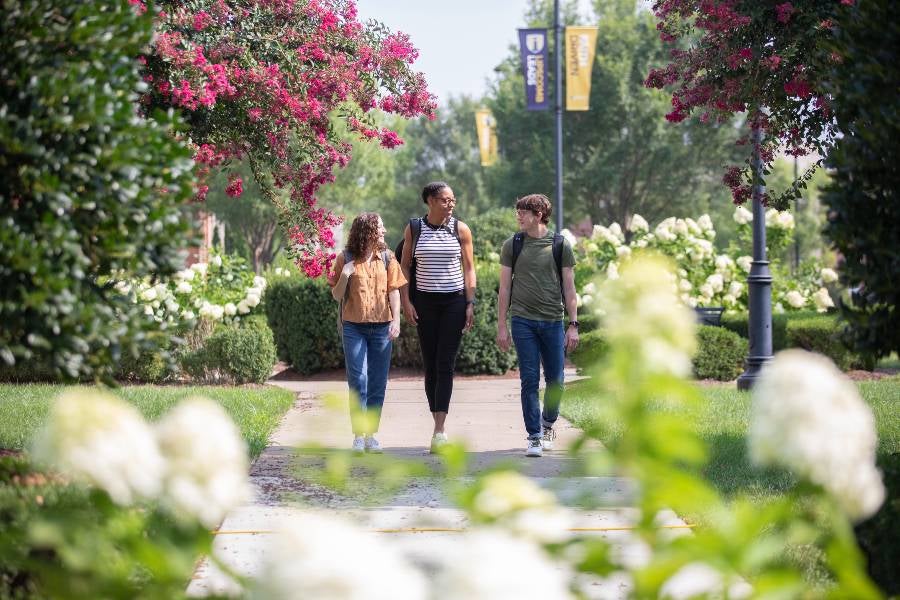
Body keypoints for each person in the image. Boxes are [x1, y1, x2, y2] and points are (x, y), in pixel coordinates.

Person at [496, 194, 579, 457]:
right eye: (517, 211)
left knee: (556, 381)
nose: (518, 216)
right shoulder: (513, 244)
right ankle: (533, 436)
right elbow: (505, 288)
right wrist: (501, 325)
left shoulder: (559, 244)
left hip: (553, 321)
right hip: (523, 321)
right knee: (529, 379)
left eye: (523, 212)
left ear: (540, 214)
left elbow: (569, 287)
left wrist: (573, 324)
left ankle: (547, 425)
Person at [399, 182, 476, 453]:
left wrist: (470, 302)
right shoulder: (414, 228)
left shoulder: (461, 229)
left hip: (454, 301)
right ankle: (437, 421)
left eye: (453, 200)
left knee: (446, 362)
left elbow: (469, 269)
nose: (450, 204)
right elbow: (404, 267)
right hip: (425, 303)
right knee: (430, 365)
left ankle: (439, 430)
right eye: (445, 200)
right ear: (430, 201)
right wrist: (406, 301)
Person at [329, 213, 406, 454]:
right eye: (380, 227)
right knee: (358, 380)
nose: (384, 231)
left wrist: (396, 320)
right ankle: (358, 436)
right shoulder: (345, 258)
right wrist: (345, 275)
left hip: (382, 327)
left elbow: (393, 290)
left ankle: (371, 435)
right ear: (368, 231)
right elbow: (336, 295)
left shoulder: (387, 257)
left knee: (377, 381)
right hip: (354, 327)